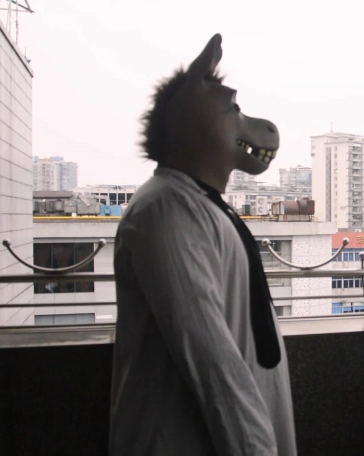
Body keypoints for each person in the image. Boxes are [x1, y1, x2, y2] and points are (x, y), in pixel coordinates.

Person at [109, 34, 296, 456]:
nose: (258, 125)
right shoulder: (166, 209)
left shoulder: (200, 205)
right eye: (234, 109)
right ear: (194, 117)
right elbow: (213, 365)